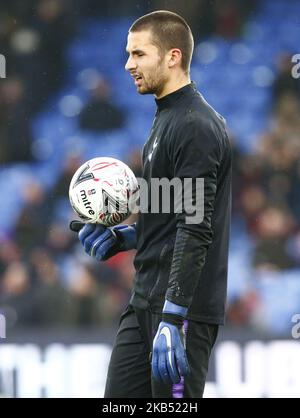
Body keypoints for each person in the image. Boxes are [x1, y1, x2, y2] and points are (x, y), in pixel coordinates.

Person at [70, 10, 232, 398]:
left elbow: (195, 225)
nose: (128, 64)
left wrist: (174, 317)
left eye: (139, 54)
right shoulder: (165, 119)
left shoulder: (195, 126)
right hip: (144, 301)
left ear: (172, 56)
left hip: (181, 312)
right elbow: (169, 212)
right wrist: (125, 236)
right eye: (129, 54)